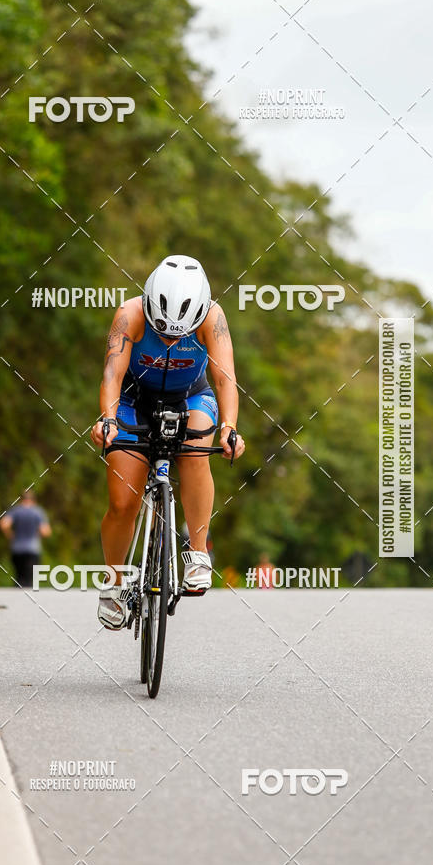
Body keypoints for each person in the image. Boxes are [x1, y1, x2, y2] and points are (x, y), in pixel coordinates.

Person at [91, 254, 245, 629]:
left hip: (191, 397)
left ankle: (197, 552)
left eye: (178, 334)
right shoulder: (129, 314)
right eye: (162, 332)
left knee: (196, 451)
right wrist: (107, 419)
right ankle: (114, 582)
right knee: (122, 503)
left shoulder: (213, 317)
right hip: (132, 400)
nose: (170, 339)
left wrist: (229, 427)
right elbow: (112, 374)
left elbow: (224, 378)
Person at [0, 489, 51, 587]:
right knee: (29, 580)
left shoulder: (16, 511)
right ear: (34, 500)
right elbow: (46, 531)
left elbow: (4, 524)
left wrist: (10, 534)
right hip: (32, 549)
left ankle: (17, 593)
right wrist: (37, 534)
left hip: (17, 549)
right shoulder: (37, 512)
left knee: (19, 578)